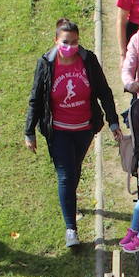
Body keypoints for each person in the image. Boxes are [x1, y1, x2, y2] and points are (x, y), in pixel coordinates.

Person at [24, 19, 121, 247]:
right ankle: (71, 229)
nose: (70, 46)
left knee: (75, 168)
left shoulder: (88, 61)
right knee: (66, 174)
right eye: (65, 42)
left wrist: (113, 121)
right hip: (58, 131)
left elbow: (104, 93)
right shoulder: (46, 64)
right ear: (56, 40)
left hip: (84, 129)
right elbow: (36, 99)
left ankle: (71, 203)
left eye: (74, 42)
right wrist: (29, 131)